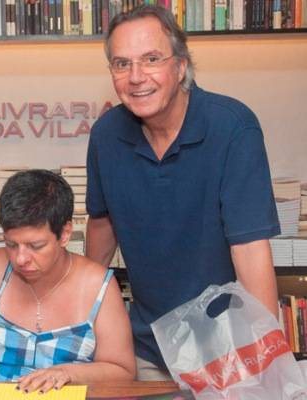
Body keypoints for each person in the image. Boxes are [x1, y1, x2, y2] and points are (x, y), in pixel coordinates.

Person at [86, 5, 280, 381]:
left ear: (181, 65)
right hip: (146, 345)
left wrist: (264, 361)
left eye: (152, 59)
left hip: (225, 347)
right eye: (122, 64)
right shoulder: (106, 135)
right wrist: (82, 316)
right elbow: (102, 226)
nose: (136, 77)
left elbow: (250, 249)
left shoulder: (233, 127)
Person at [0, 169, 135, 395]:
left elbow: (122, 371)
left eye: (35, 246)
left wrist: (68, 373)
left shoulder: (99, 285)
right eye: (11, 244)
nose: (20, 259)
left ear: (65, 234)